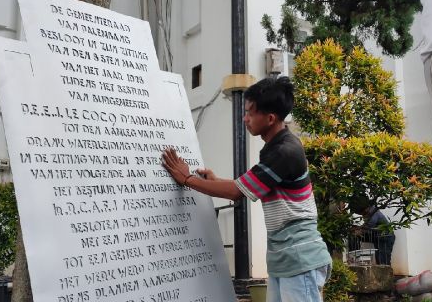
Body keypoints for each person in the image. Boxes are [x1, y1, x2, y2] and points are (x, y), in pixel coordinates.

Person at [162, 77, 332, 302]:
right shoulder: (276, 147)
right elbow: (248, 187)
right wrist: (216, 180)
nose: (245, 118)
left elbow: (236, 192)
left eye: (250, 113)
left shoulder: (285, 151)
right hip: (285, 259)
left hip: (300, 258)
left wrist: (187, 179)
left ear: (270, 118)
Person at [348, 196, 395, 265]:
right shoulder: (369, 211)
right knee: (353, 236)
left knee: (382, 260)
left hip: (385, 237)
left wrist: (357, 231)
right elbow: (366, 227)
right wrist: (355, 230)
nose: (361, 215)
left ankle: (385, 274)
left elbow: (368, 227)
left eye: (360, 213)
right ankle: (354, 257)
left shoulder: (373, 212)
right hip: (376, 235)